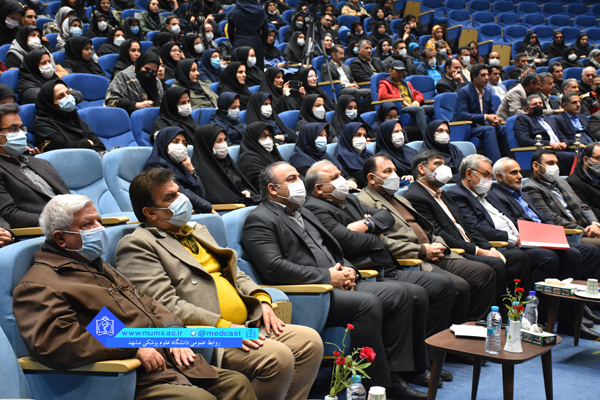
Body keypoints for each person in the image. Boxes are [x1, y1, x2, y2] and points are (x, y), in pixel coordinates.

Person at [13, 194, 256, 399]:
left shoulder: (96, 265)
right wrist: (131, 347)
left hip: (166, 360)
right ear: (60, 238)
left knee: (236, 384)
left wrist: (172, 332)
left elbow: (148, 303)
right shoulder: (39, 284)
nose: (99, 229)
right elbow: (60, 341)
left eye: (98, 221)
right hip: (128, 376)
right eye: (87, 224)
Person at [116, 167, 319, 400]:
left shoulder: (196, 230)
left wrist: (261, 299)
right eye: (170, 197)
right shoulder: (139, 244)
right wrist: (224, 327)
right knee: (277, 357)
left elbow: (236, 274)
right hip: (208, 333)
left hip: (245, 323)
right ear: (150, 212)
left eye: (178, 192)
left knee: (310, 342)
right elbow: (164, 306)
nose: (181, 199)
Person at [243, 161, 434, 399]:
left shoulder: (303, 211)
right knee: (367, 304)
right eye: (291, 179)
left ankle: (401, 371)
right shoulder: (260, 219)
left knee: (405, 294)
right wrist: (328, 277)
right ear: (273, 189)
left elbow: (333, 249)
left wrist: (350, 270)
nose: (300, 183)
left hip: (336, 281)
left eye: (298, 177)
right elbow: (274, 268)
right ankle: (377, 383)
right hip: (311, 294)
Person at [304, 158, 458, 362]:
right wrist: (377, 235)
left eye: (341, 174)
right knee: (413, 294)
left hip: (385, 265)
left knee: (443, 285)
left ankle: (426, 359)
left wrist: (366, 224)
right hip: (367, 269)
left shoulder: (349, 199)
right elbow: (348, 241)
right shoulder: (315, 207)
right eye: (335, 177)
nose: (343, 180)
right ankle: (404, 366)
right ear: (319, 188)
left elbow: (387, 217)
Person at [357, 154, 497, 324]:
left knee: (485, 273)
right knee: (459, 287)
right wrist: (422, 250)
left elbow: (428, 229)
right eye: (387, 171)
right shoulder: (363, 202)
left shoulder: (400, 198)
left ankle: (475, 326)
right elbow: (380, 242)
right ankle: (449, 336)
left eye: (394, 170)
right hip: (413, 259)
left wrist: (439, 244)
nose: (394, 175)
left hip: (435, 252)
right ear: (371, 178)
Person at [487, 157, 600, 338]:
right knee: (552, 256)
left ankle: (569, 318)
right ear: (499, 177)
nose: (520, 176)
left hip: (543, 237)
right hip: (526, 241)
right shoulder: (495, 196)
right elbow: (514, 223)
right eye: (514, 173)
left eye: (519, 172)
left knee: (586, 252)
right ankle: (537, 315)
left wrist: (552, 233)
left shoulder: (523, 194)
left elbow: (545, 218)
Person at [405, 152, 531, 304]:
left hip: (469, 245)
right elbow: (438, 234)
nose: (444, 168)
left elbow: (468, 227)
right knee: (495, 263)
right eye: (438, 164)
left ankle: (510, 310)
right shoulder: (415, 196)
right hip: (454, 251)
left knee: (518, 258)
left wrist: (488, 247)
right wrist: (478, 250)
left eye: (445, 164)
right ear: (421, 169)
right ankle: (489, 313)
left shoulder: (443, 194)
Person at [447, 155, 580, 292]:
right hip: (501, 245)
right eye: (486, 175)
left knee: (571, 254)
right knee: (548, 258)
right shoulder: (457, 195)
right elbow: (475, 227)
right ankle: (533, 301)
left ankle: (562, 303)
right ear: (469, 174)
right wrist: (513, 239)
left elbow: (513, 218)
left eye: (490, 176)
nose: (489, 180)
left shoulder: (488, 194)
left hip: (521, 239)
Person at [0, 103, 70, 228]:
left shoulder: (42, 163)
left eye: (21, 128)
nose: (21, 133)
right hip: (44, 231)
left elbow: (69, 198)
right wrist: (60, 221)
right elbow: (9, 215)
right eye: (14, 129)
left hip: (73, 224)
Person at [523, 149, 600, 250]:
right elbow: (552, 218)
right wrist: (586, 230)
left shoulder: (561, 181)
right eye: (550, 163)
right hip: (570, 234)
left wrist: (595, 224)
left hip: (586, 228)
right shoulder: (531, 188)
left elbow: (582, 206)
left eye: (556, 163)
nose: (555, 167)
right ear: (536, 166)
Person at [144, 126, 214, 214]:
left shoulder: (180, 165)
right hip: (169, 214)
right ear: (163, 143)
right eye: (175, 141)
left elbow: (201, 194)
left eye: (184, 143)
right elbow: (178, 190)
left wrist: (191, 170)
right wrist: (208, 207)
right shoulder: (154, 166)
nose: (181, 146)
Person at [189, 125, 259, 205]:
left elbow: (243, 185)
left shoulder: (227, 163)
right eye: (219, 141)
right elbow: (218, 199)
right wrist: (242, 198)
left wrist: (247, 192)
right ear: (207, 144)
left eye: (225, 140)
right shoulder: (201, 170)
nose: (224, 144)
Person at [454, 64, 509, 163]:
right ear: (474, 77)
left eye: (487, 74)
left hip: (481, 127)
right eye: (483, 75)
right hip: (466, 127)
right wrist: (486, 117)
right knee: (489, 129)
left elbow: (491, 112)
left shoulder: (487, 92)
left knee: (503, 128)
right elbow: (462, 115)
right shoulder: (464, 92)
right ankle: (495, 165)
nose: (487, 78)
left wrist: (495, 119)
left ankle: (509, 162)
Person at [34, 80, 106, 153]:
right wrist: (86, 143)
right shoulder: (43, 124)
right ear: (49, 103)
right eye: (61, 96)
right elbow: (61, 148)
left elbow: (100, 146)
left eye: (68, 93)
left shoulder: (77, 119)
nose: (67, 97)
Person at [514, 94, 575, 175]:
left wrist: (565, 143)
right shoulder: (523, 119)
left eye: (540, 103)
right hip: (545, 151)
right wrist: (549, 143)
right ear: (527, 109)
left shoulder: (550, 119)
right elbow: (524, 140)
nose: (538, 106)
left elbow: (561, 136)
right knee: (571, 157)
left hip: (561, 149)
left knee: (583, 155)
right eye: (534, 104)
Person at [378, 60, 434, 139]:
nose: (400, 74)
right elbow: (382, 95)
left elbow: (418, 94)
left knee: (434, 108)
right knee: (419, 110)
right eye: (397, 71)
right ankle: (427, 138)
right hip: (400, 108)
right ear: (390, 70)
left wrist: (417, 100)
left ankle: (436, 133)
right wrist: (400, 99)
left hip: (412, 107)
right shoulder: (384, 83)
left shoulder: (406, 83)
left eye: (401, 72)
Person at [321, 45, 372, 110]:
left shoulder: (346, 67)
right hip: (339, 90)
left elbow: (352, 80)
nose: (343, 56)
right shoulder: (326, 66)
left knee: (370, 91)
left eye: (343, 53)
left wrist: (354, 84)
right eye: (340, 54)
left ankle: (364, 111)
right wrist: (347, 85)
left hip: (351, 88)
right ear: (333, 55)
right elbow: (328, 82)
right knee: (366, 92)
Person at [237, 122, 285, 189]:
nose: (268, 139)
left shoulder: (273, 155)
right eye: (262, 135)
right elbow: (267, 184)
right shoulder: (248, 160)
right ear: (252, 138)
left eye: (269, 135)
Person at [227, 0, 269, 71]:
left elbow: (230, 31)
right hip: (256, 43)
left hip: (239, 43)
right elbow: (265, 30)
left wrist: (234, 42)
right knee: (258, 72)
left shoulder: (235, 10)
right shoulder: (260, 10)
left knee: (237, 71)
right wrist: (262, 44)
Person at [335, 122, 373, 188]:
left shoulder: (368, 154)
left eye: (364, 135)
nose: (362, 139)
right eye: (358, 135)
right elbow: (362, 179)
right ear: (348, 137)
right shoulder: (342, 157)